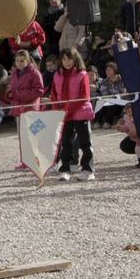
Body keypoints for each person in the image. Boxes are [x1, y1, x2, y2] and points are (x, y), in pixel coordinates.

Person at [51, 47, 95, 181]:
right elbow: (53, 95)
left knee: (85, 142)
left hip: (80, 112)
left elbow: (84, 97)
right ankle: (65, 168)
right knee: (66, 142)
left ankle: (88, 169)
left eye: (69, 58)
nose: (67, 62)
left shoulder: (83, 75)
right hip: (64, 114)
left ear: (75, 59)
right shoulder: (57, 75)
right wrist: (57, 108)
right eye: (64, 59)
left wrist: (68, 109)